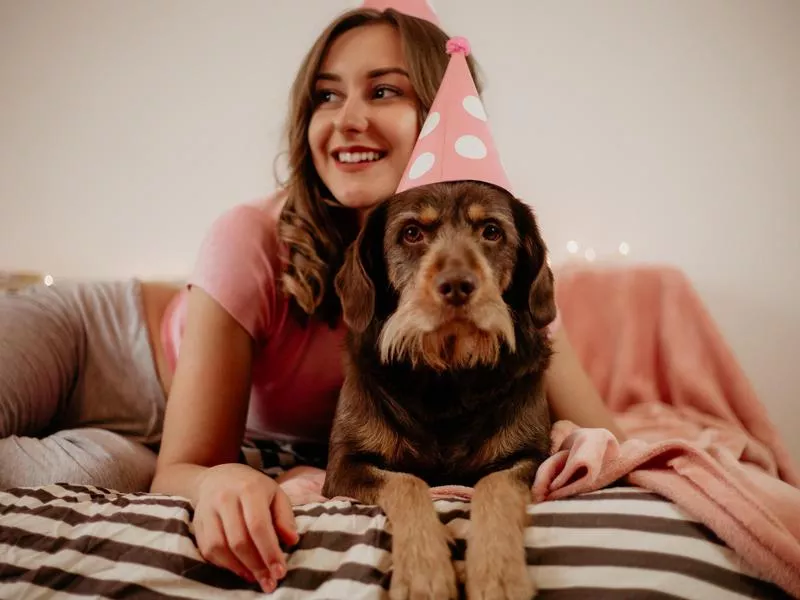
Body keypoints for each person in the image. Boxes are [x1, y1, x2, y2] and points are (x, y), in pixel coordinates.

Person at [0, 4, 623, 594]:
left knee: (66, 475)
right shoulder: (249, 237)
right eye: (327, 94)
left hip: (149, 434)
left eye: (384, 90)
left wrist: (574, 449)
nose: (347, 118)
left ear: (438, 114)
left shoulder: (488, 272)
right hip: (98, 342)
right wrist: (225, 477)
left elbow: (602, 435)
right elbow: (193, 461)